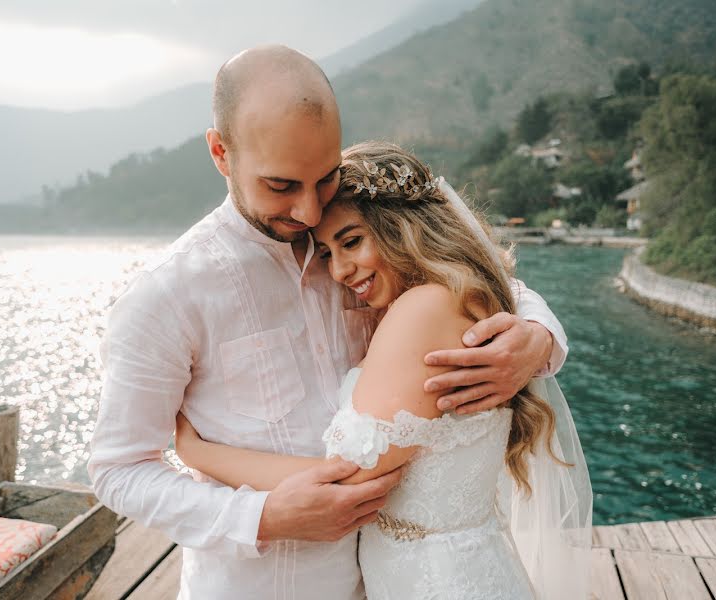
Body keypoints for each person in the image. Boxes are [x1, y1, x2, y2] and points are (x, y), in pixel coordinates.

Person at [88, 46, 570, 600]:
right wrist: (259, 516)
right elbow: (119, 471)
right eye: (281, 186)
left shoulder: (352, 242)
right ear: (222, 153)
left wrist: (538, 338)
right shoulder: (166, 296)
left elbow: (477, 280)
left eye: (324, 178)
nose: (310, 212)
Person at [174, 141, 592, 599]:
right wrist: (539, 330)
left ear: (401, 227)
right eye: (327, 253)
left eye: (351, 241)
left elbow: (348, 476)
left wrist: (198, 454)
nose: (339, 271)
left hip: (442, 582)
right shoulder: (456, 293)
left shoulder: (424, 307)